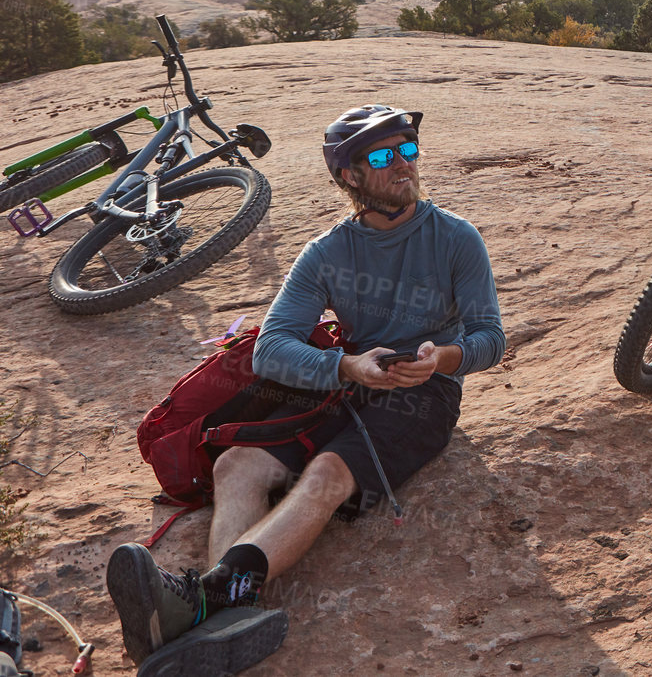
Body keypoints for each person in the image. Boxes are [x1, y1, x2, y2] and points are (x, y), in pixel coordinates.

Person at [105, 105, 505, 674]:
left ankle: (205, 599)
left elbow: (490, 337)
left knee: (327, 474)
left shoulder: (455, 238)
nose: (404, 166)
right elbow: (272, 349)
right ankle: (226, 618)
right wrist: (345, 367)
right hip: (349, 383)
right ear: (350, 176)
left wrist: (443, 357)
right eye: (384, 156)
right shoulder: (327, 252)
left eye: (409, 150)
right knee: (237, 465)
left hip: (426, 395)